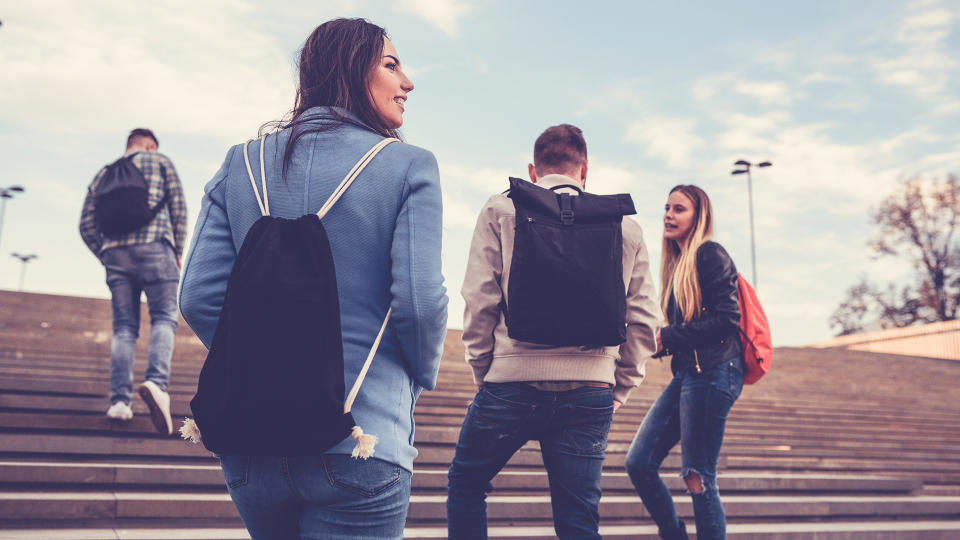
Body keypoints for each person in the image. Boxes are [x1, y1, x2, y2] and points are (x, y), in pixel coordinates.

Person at [178, 18, 447, 540]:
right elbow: (420, 303)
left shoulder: (241, 163)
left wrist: (270, 357)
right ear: (351, 69)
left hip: (250, 443)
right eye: (391, 65)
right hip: (361, 434)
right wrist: (417, 375)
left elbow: (198, 295)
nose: (407, 83)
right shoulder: (409, 165)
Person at [447, 124, 661, 539]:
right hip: (590, 389)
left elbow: (479, 298)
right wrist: (620, 386)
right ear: (585, 169)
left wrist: (486, 370)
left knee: (467, 485)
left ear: (533, 170)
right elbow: (644, 318)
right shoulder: (625, 227)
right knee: (578, 520)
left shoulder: (502, 210)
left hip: (509, 384)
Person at [624, 185, 744, 540]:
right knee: (639, 462)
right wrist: (655, 342)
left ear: (699, 216)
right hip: (689, 374)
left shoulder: (710, 254)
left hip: (715, 371)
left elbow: (727, 320)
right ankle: (674, 534)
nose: (669, 214)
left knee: (698, 474)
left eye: (679, 209)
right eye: (666, 208)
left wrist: (670, 337)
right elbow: (684, 330)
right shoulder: (678, 265)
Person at [79, 128, 187, 435]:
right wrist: (177, 248)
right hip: (156, 248)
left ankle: (119, 402)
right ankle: (156, 383)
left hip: (116, 255)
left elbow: (85, 223)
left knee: (124, 328)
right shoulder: (160, 162)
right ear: (150, 146)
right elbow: (178, 207)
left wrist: (105, 252)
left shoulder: (104, 174)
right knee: (164, 318)